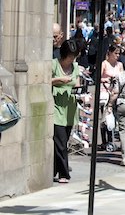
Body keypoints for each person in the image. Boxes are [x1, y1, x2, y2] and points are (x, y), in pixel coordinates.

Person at [52, 39, 80, 183]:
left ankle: (53, 170)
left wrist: (81, 94)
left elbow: (78, 85)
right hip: (57, 107)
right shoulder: (53, 64)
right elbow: (45, 81)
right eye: (70, 56)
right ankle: (64, 173)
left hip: (70, 108)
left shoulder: (76, 67)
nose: (72, 59)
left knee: (63, 141)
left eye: (74, 56)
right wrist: (59, 80)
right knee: (60, 142)